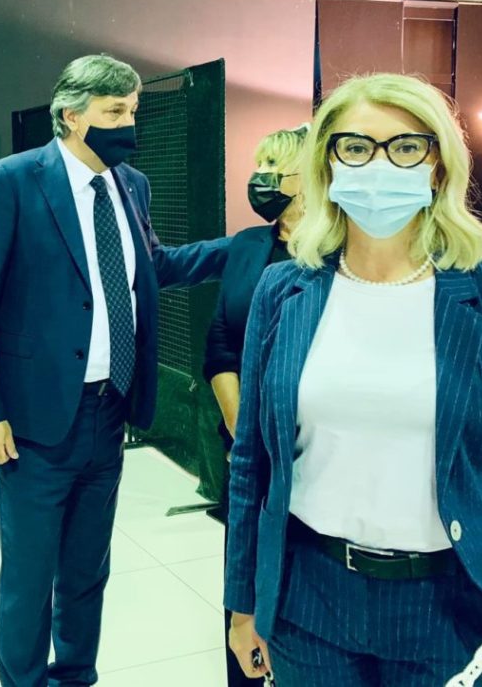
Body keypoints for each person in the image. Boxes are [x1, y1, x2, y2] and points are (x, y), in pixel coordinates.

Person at [225, 73, 482, 686]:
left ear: (438, 166)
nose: (379, 165)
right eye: (356, 147)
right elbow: (252, 461)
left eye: (406, 146)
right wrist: (243, 601)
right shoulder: (283, 289)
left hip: (458, 606)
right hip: (309, 599)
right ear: (327, 164)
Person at [0, 54, 231, 687]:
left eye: (132, 110)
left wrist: (242, 248)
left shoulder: (130, 184)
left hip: (110, 412)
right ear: (71, 115)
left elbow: (152, 267)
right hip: (33, 422)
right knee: (30, 577)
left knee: (87, 570)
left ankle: (77, 676)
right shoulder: (13, 180)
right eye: (115, 112)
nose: (129, 124)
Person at [203, 124, 306, 687]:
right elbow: (220, 342)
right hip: (248, 451)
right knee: (243, 582)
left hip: (309, 451)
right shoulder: (247, 245)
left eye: (275, 168)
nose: (260, 179)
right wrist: (244, 432)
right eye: (259, 165)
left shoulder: (343, 252)